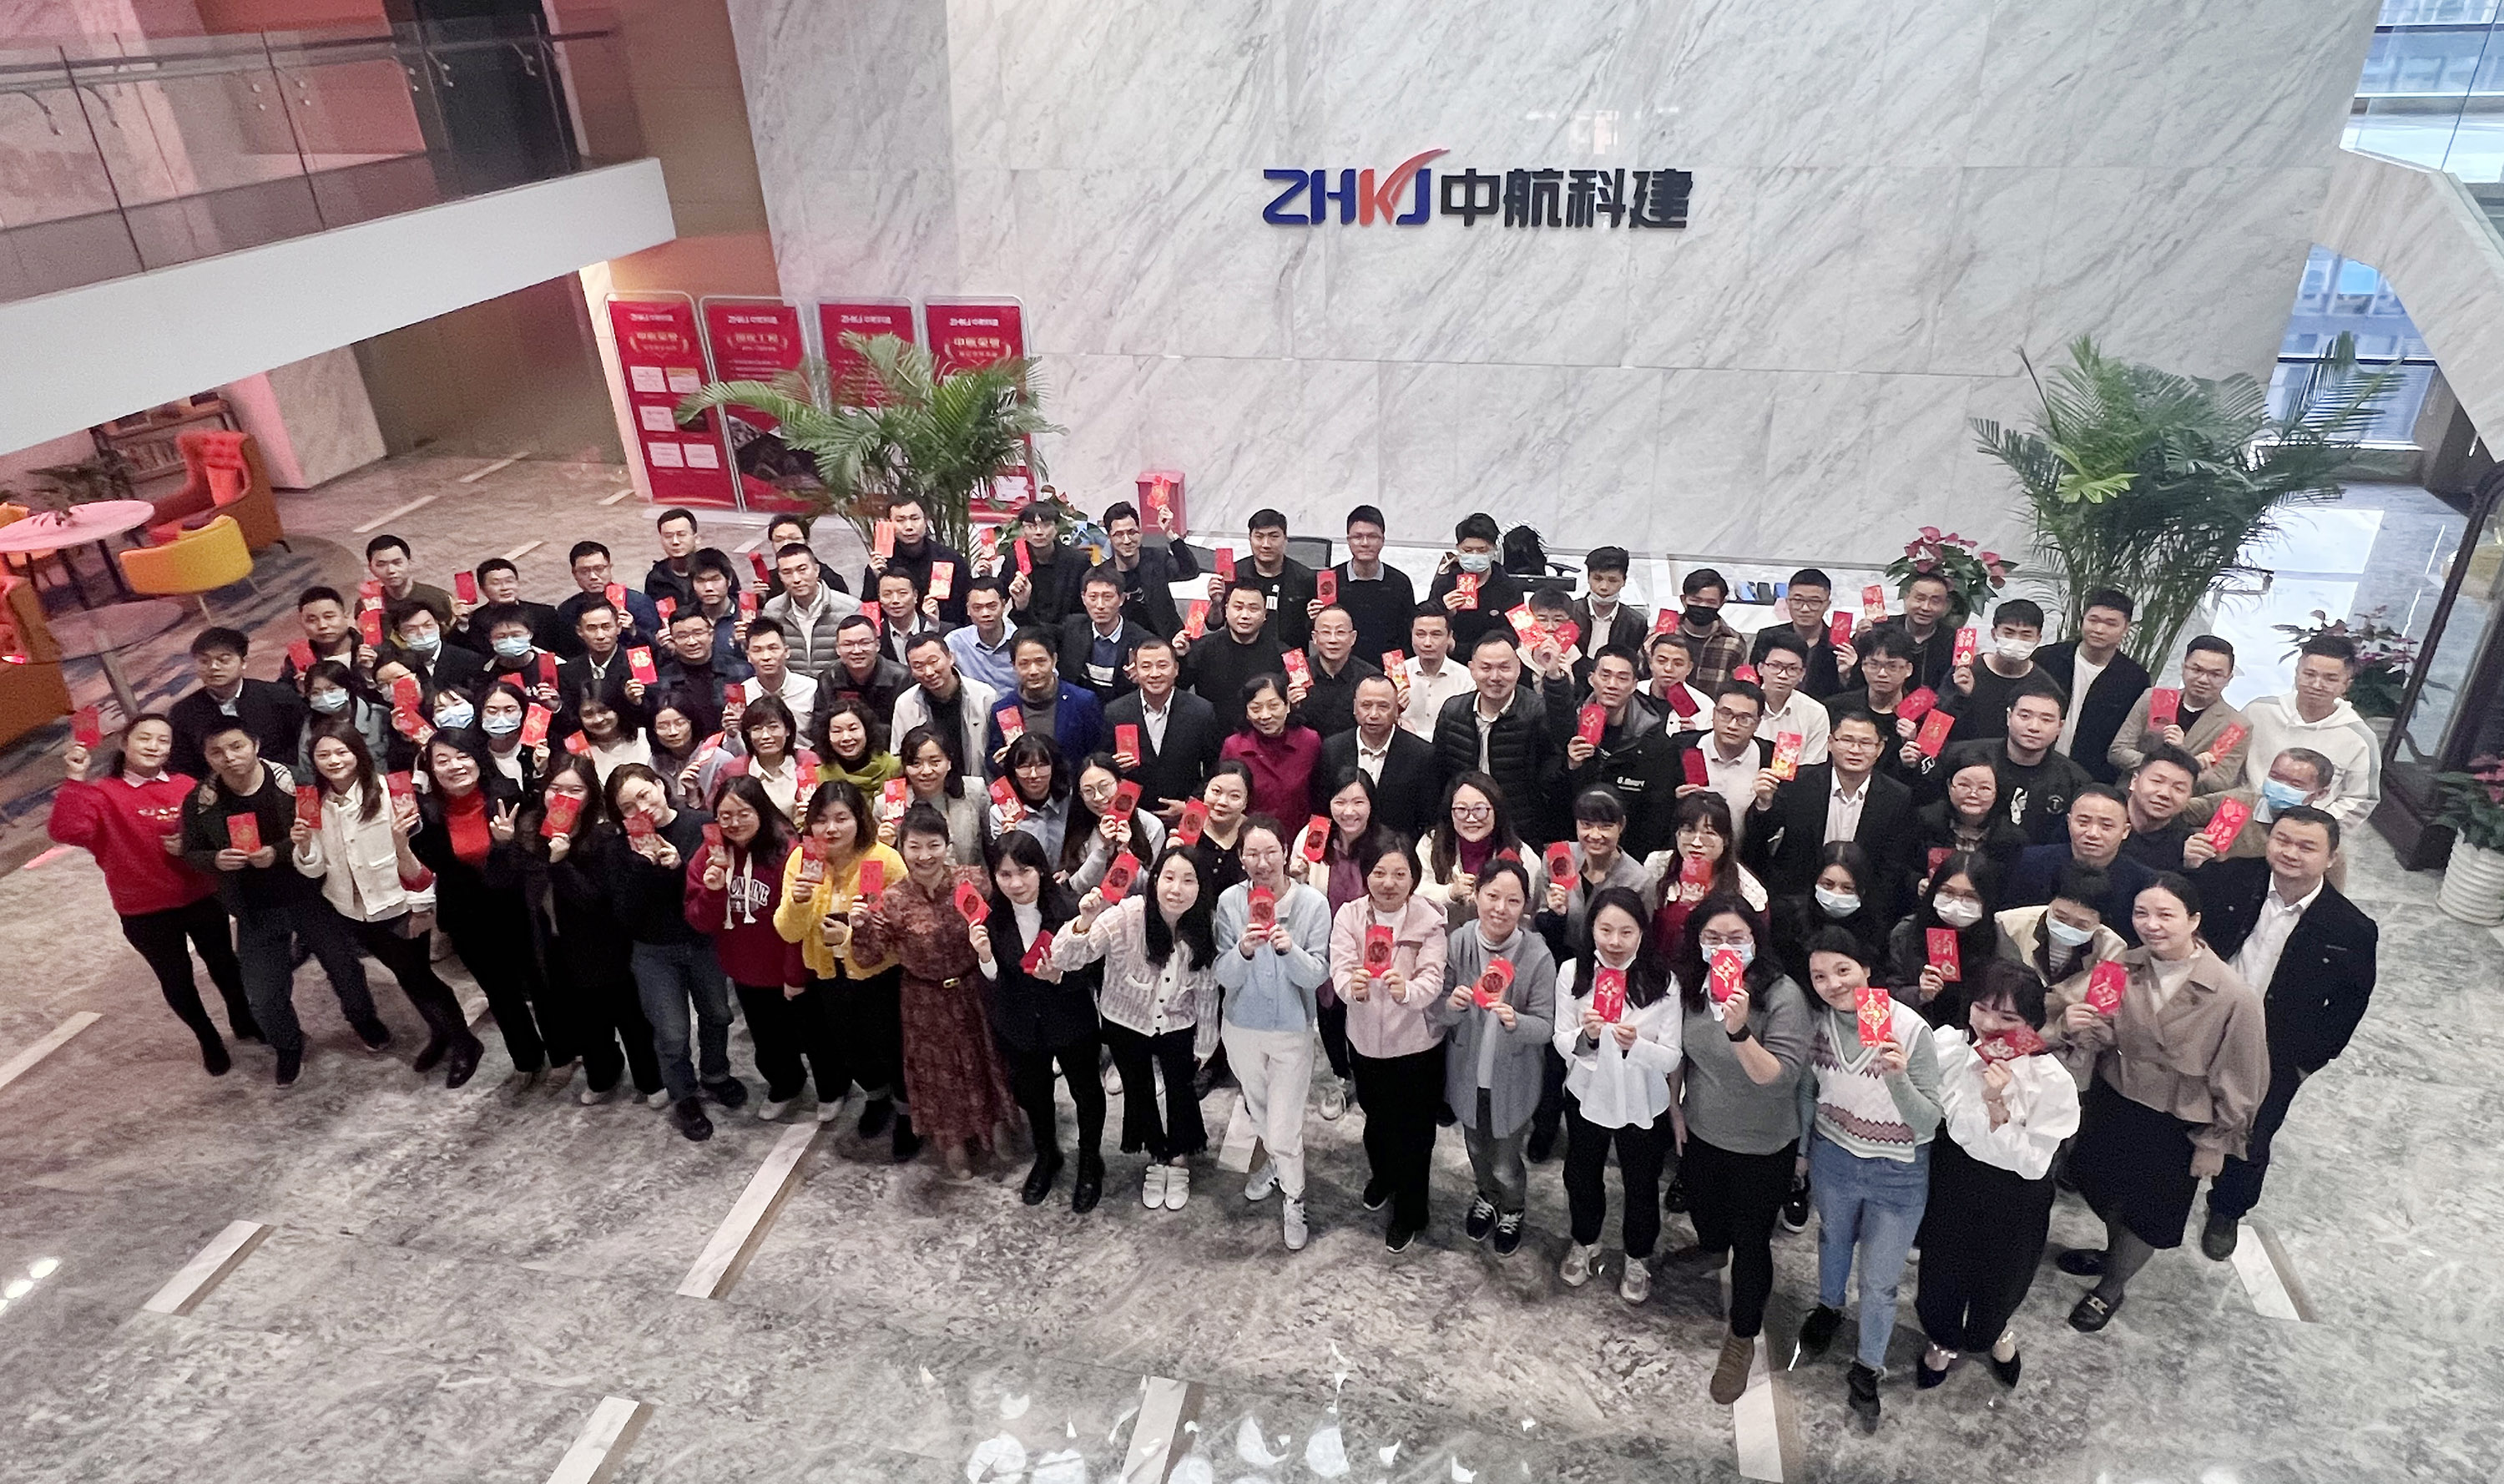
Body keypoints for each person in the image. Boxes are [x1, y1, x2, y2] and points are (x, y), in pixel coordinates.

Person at [2049, 876, 2269, 1331]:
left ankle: (2112, 1286)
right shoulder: (2121, 966)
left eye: (2166, 915)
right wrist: (2076, 1025)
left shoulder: (2233, 995)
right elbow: (2095, 1024)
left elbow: (2243, 1078)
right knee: (2103, 1187)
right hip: (2116, 1097)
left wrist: (2215, 1143)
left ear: (2194, 920)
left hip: (2176, 1120)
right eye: (2141, 913)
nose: (2151, 925)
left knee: (2149, 1214)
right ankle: (2114, 1253)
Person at [2189, 807, 2375, 1259]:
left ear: (2331, 857)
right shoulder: (2228, 879)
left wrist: (2306, 1062)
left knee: (2253, 1136)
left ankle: (2227, 1209)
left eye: (2307, 847)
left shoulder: (2352, 927)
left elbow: (2349, 1004)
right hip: (2202, 1024)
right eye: (2283, 840)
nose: (2291, 853)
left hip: (2273, 1048)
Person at [1658, 895, 1814, 1406]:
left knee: (1751, 1242)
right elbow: (1680, 1051)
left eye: (1735, 938)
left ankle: (1742, 1336)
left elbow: (1779, 1078)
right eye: (1712, 938)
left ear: (1754, 941)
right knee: (1706, 1214)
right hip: (1703, 1130)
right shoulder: (1692, 986)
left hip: (1763, 1143)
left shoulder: (1782, 995)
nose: (1724, 947)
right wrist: (1676, 1108)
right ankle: (1710, 1248)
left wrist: (1739, 1029)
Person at [1790, 927, 1941, 1433]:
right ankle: (1829, 1308)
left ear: (1867, 970)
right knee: (1832, 1239)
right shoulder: (1817, 1026)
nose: (1832, 984)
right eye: (1819, 976)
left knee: (1880, 1279)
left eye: (1843, 970)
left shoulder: (1911, 1029)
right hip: (1834, 1156)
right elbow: (1808, 1092)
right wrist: (1803, 1153)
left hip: (1897, 1171)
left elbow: (1928, 1122)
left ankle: (1867, 1366)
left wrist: (1897, 1076)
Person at [180, 721, 388, 1085]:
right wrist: (215, 860)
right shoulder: (201, 800)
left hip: (311, 895)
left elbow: (317, 832)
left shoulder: (296, 782)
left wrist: (276, 853)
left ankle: (364, 1020)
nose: (229, 757)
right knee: (262, 994)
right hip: (254, 908)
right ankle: (288, 1045)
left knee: (345, 967)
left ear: (256, 744)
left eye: (236, 746)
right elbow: (191, 851)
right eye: (217, 752)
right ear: (207, 758)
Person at [51, 714, 256, 1073]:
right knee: (177, 979)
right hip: (144, 910)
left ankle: (244, 1020)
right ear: (124, 744)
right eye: (144, 738)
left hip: (201, 896)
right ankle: (208, 1039)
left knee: (225, 964)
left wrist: (192, 845)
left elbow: (217, 831)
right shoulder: (102, 794)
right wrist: (76, 778)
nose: (153, 746)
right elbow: (67, 831)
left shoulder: (186, 785)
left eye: (163, 741)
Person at [1912, 958, 2079, 1391]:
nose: (1989, 1025)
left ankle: (1994, 1331)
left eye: (2008, 1018)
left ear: (2031, 1022)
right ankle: (1942, 1338)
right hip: (1953, 1180)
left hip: (2016, 1196)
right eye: (1982, 1008)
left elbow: (2034, 1163)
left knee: (2004, 1279)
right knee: (1940, 1272)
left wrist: (1995, 1104)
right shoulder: (1950, 1047)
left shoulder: (2049, 1079)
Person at [289, 723, 484, 1088]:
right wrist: (302, 846)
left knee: (420, 976)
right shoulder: (314, 802)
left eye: (342, 751)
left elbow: (420, 856)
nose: (334, 761)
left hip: (397, 904)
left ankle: (464, 1042)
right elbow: (315, 867)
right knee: (405, 976)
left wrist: (421, 906)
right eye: (324, 754)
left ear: (358, 752)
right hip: (353, 909)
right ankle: (441, 1033)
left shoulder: (390, 792)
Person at [852, 803, 1020, 1180]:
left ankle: (997, 1126)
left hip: (974, 990)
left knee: (986, 1060)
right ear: (901, 848)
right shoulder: (891, 899)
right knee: (938, 1074)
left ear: (948, 845)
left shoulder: (973, 881)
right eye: (914, 846)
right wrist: (860, 926)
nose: (924, 856)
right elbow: (867, 957)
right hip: (923, 1000)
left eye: (933, 845)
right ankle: (953, 1142)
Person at [1058, 843, 1223, 1209]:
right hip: (1125, 1021)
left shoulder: (1205, 926)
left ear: (1201, 887)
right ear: (1154, 880)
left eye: (1188, 880)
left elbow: (1208, 990)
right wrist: (1085, 921)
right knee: (1139, 1090)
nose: (1176, 889)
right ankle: (1157, 1154)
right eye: (1169, 877)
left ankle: (1178, 1157)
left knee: (1181, 1090)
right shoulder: (1127, 915)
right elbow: (1065, 958)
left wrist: (1206, 1044)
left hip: (1177, 1023)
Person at [409, 728, 564, 1078]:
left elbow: (531, 862)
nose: (455, 766)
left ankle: (562, 1054)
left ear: (479, 758)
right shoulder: (426, 813)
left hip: (517, 909)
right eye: (442, 760)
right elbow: (429, 868)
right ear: (430, 769)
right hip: (466, 917)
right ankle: (527, 1060)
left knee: (541, 986)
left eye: (462, 756)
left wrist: (505, 845)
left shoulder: (507, 795)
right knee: (500, 993)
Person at [1553, 886, 1682, 1303]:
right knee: (1581, 1173)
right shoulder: (1573, 973)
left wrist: (1636, 1046)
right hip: (1587, 1093)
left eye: (1626, 932)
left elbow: (1671, 1056)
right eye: (1605, 929)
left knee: (1641, 1182)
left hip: (1642, 1099)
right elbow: (1560, 1040)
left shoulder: (1664, 981)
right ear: (1591, 928)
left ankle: (1638, 1256)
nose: (1614, 941)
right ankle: (1585, 1240)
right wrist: (1587, 1037)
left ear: (1642, 932)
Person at [775, 780, 916, 1154]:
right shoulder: (801, 861)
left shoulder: (883, 859)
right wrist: (799, 902)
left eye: (841, 818)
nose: (831, 829)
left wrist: (854, 934)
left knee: (893, 1046)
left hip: (880, 974)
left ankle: (907, 1112)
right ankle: (876, 1098)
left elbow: (903, 927)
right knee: (850, 1046)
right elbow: (788, 931)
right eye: (821, 820)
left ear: (860, 819)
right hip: (827, 973)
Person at [1426, 860, 1558, 1258]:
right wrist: (1451, 1005)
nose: (1500, 908)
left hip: (1513, 1081)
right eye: (1492, 896)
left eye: (1513, 900)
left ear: (1526, 905)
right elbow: (1436, 1009)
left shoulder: (1537, 955)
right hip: (1466, 1074)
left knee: (1505, 1161)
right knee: (1476, 1149)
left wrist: (1517, 1021)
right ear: (1476, 896)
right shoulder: (1459, 942)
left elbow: (1546, 1027)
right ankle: (1486, 1195)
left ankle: (1513, 1207)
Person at [1212, 815, 1333, 1250]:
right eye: (1252, 854)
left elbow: (1317, 975)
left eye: (1270, 852)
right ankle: (1279, 1167)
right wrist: (1243, 950)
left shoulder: (1312, 904)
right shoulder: (1230, 902)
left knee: (1283, 1127)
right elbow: (1223, 975)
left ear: (1286, 852)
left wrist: (1290, 950)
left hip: (1291, 1033)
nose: (1262, 863)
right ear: (1240, 857)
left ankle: (1295, 1196)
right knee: (1260, 1111)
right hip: (1241, 1027)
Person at [1326, 830, 1448, 1249]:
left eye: (1400, 874)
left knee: (1415, 1132)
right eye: (1379, 873)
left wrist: (1408, 991)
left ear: (1414, 877)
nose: (1389, 883)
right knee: (1376, 1121)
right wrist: (1352, 987)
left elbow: (1433, 977)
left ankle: (1411, 1211)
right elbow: (1340, 967)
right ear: (1366, 875)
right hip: (1364, 1042)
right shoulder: (1350, 916)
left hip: (1416, 1047)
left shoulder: (1429, 920)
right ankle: (1384, 1176)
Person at [515, 754, 659, 1107]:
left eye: (575, 790)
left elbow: (594, 901)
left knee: (630, 1018)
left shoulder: (605, 836)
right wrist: (505, 846)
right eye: (555, 788)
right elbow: (514, 885)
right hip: (553, 945)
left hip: (604, 946)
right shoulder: (531, 829)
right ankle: (603, 1075)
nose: (563, 797)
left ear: (591, 794)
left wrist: (561, 863)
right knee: (586, 1020)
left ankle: (651, 1079)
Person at [602, 762, 735, 1141]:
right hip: (653, 951)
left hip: (703, 942)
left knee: (718, 1014)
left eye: (644, 795)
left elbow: (714, 888)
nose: (641, 810)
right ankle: (684, 1095)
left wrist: (678, 867)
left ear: (660, 786)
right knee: (673, 1032)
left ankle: (716, 1074)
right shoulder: (619, 848)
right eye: (628, 808)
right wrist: (643, 868)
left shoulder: (702, 825)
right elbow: (624, 913)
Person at [974, 829, 1106, 1210]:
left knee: (1086, 1091)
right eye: (1005, 874)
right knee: (1034, 1094)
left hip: (1070, 1018)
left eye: (1024, 871)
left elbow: (1095, 968)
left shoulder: (1070, 909)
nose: (1016, 884)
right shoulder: (990, 917)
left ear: (1042, 870)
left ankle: (1090, 1159)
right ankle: (1048, 1154)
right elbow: (995, 980)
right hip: (1019, 1023)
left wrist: (1061, 976)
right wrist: (985, 957)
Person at [682, 775, 815, 1119]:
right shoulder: (709, 855)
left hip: (791, 968)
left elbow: (800, 920)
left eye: (744, 813)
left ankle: (833, 1090)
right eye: (725, 816)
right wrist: (713, 891)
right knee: (769, 1042)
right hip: (744, 971)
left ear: (762, 811)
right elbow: (699, 921)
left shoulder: (788, 852)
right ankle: (785, 1085)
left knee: (813, 1037)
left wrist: (794, 974)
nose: (734, 823)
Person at [1744, 709, 1914, 914]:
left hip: (1862, 905)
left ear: (1879, 749)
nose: (1855, 750)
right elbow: (1761, 835)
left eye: (1865, 743)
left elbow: (1893, 863)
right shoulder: (1799, 783)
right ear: (1830, 743)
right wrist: (1764, 803)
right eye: (1847, 740)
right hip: (1797, 901)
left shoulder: (1897, 797)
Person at [1433, 628, 1565, 846]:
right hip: (1464, 825)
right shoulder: (1453, 712)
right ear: (1472, 669)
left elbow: (1560, 747)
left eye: (1504, 667)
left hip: (1521, 829)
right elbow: (1439, 775)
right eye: (1486, 668)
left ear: (1518, 668)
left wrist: (1555, 678)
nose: (1495, 677)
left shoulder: (1537, 712)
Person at [2238, 633, 2381, 827]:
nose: (2316, 685)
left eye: (2330, 678)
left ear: (2346, 685)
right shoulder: (2258, 711)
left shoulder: (2359, 738)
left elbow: (2360, 799)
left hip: (2306, 834)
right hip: (2242, 819)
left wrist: (2318, 828)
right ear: (2297, 673)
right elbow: (2229, 764)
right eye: (2309, 674)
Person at [1297, 770, 1377, 1113]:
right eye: (1340, 801)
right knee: (1329, 1017)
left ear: (1372, 805)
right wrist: (1298, 876)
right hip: (1325, 948)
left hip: (1369, 952)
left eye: (1358, 802)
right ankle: (1340, 1077)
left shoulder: (1385, 844)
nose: (1349, 811)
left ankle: (1370, 1080)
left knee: (1367, 1019)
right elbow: (1295, 890)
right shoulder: (1313, 837)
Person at [1926, 683, 2093, 845]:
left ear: (2060, 727)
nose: (2034, 727)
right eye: (2025, 716)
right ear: (2009, 716)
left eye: (2046, 720)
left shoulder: (2075, 780)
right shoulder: (1962, 757)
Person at [1562, 644, 1677, 856]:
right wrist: (1571, 767)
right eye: (1605, 676)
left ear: (1634, 685)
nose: (1612, 685)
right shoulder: (1569, 725)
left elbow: (1657, 815)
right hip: (1575, 850)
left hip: (1629, 855)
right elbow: (1551, 797)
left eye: (1622, 678)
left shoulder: (1655, 740)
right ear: (1591, 679)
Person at [2003, 785, 2159, 936]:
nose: (2093, 833)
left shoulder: (2143, 882)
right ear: (2069, 822)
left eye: (2106, 826)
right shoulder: (2031, 863)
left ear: (2125, 831)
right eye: (2083, 822)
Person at [1106, 634, 1222, 825]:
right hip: (1134, 818)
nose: (1154, 674)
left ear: (1176, 669)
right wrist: (1115, 766)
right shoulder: (1116, 712)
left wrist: (1190, 806)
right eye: (1146, 667)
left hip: (1186, 818)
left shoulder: (1201, 711)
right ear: (1135, 671)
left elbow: (1215, 768)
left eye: (1162, 666)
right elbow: (1104, 766)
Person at [2037, 589, 2152, 783]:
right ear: (2083, 619)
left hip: (2093, 778)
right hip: (2037, 762)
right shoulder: (2046, 659)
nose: (2099, 629)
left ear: (2126, 628)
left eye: (2110, 624)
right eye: (2093, 620)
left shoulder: (2134, 678)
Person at [2108, 635, 2249, 793]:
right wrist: (2161, 766)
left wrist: (2183, 754)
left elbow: (2220, 783)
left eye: (2215, 675)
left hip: (2184, 804)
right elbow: (2118, 751)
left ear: (2229, 678)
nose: (2203, 680)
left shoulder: (2235, 725)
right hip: (2131, 794)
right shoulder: (2154, 698)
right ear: (2183, 668)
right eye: (2196, 670)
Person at [1882, 851, 2002, 1030]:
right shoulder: (1906, 933)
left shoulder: (1999, 940)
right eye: (1947, 892)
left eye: (1970, 896)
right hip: (1914, 1029)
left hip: (1973, 1033)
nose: (1956, 903)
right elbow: (1887, 993)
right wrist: (1920, 994)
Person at [2182, 746, 2344, 879]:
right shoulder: (2235, 803)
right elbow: (2176, 811)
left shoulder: (2322, 837)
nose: (2281, 786)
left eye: (2295, 784)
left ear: (2321, 793)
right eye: (2275, 777)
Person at [169, 628, 308, 781]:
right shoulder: (183, 713)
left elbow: (303, 744)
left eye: (223, 660)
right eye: (204, 661)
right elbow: (184, 767)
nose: (213, 667)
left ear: (243, 663)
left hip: (286, 780)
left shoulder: (278, 696)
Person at [1643, 790, 1768, 957]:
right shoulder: (1657, 865)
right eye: (1688, 831)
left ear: (1725, 839)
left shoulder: (1748, 890)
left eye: (1709, 833)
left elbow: (1758, 950)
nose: (1696, 842)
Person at [1316, 674, 1438, 840]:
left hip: (1401, 849)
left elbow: (1428, 819)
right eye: (1366, 706)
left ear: (1397, 709)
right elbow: (1321, 811)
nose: (1373, 714)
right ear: (1355, 707)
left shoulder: (1422, 755)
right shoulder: (1333, 749)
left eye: (1383, 706)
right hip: (1342, 848)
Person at [1765, 842, 1891, 993]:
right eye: (1828, 884)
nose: (1837, 893)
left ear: (1862, 890)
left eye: (1847, 888)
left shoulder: (1874, 928)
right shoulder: (1787, 916)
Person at [1995, 861, 2128, 1002]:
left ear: (2100, 922)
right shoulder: (2008, 924)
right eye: (2060, 917)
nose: (2068, 928)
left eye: (2082, 925)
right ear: (2050, 903)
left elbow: (2105, 1005)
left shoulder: (2113, 948)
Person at [987, 627, 1106, 772]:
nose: (1033, 671)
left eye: (1040, 661)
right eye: (1024, 664)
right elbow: (992, 761)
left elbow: (1099, 753)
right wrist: (1001, 763)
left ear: (1054, 660)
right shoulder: (1003, 709)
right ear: (1014, 666)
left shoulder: (1083, 702)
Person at [1668, 680, 1772, 847]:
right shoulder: (1680, 748)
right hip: (1686, 855)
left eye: (1744, 718)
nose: (1732, 725)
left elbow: (1773, 831)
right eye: (1725, 714)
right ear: (1713, 714)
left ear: (1758, 723)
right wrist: (1675, 802)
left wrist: (1765, 805)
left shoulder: (1771, 760)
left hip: (1743, 859)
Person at [1179, 581, 1289, 734]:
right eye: (1238, 607)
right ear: (1226, 610)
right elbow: (1179, 686)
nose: (1245, 615)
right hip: (1211, 736)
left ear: (1265, 614)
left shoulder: (1285, 655)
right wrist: (1179, 657)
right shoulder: (1201, 648)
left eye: (1253, 609)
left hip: (1264, 738)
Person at [1418, 771, 1527, 923]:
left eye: (1480, 810)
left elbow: (1530, 910)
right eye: (1461, 810)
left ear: (1496, 810)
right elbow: (1414, 895)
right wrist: (1450, 892)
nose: (1471, 818)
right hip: (1442, 934)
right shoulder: (1430, 844)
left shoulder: (1520, 853)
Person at [893, 630, 1001, 782]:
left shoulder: (984, 696)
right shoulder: (905, 704)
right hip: (927, 786)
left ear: (950, 658)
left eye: (933, 662)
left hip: (977, 786)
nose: (929, 672)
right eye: (918, 666)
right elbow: (898, 757)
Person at [1826, 624, 1925, 789]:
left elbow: (1932, 775)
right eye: (1873, 664)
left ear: (1908, 669)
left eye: (1892, 666)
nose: (1882, 673)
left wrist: (1913, 745)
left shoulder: (1924, 716)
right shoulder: (1837, 707)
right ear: (1863, 666)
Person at [1219, 674, 1322, 828]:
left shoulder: (1309, 741)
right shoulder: (1234, 746)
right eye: (1256, 708)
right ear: (1247, 713)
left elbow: (1319, 794)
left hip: (1299, 835)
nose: (1265, 716)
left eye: (1273, 706)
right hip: (1250, 836)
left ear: (1288, 706)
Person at [1941, 599, 2047, 745]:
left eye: (2026, 635)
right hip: (1962, 755)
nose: (2016, 640)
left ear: (2038, 638)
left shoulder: (2043, 685)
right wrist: (1961, 696)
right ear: (1994, 633)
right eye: (2009, 633)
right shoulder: (1965, 671)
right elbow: (1938, 722)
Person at [1420, 512, 1526, 652]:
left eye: (1482, 550)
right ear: (1458, 548)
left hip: (1491, 657)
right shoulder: (1444, 584)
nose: (1475, 555)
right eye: (1468, 550)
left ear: (1494, 549)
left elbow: (1515, 633)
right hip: (1449, 656)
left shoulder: (1509, 588)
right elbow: (1424, 623)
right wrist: (1443, 611)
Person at [1064, 752, 1166, 895]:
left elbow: (1149, 888)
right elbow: (1077, 887)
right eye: (1088, 791)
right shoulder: (1079, 826)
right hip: (1088, 905)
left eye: (1104, 786)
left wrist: (1124, 854)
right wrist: (1103, 849)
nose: (1098, 797)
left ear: (1120, 783)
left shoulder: (1151, 826)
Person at [887, 724, 987, 863]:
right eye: (916, 763)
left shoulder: (975, 791)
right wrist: (885, 846)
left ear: (949, 762)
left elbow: (991, 849)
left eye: (935, 762)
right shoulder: (886, 804)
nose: (926, 771)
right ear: (904, 766)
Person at [1913, 757, 2027, 877]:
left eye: (1984, 788)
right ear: (1949, 786)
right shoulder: (1924, 822)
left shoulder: (2012, 839)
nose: (1973, 794)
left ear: (1997, 793)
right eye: (1964, 785)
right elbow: (1905, 869)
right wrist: (1917, 881)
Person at [867, 493, 970, 626]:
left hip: (944, 632)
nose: (909, 527)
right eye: (900, 520)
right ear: (889, 523)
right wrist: (876, 577)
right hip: (894, 634)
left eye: (915, 518)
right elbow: (868, 610)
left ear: (925, 520)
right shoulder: (881, 562)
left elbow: (966, 606)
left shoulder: (949, 559)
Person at [1100, 498, 1198, 638]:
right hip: (1128, 645)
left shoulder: (1158, 558)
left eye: (1132, 532)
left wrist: (1169, 533)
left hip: (1168, 640)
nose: (1127, 540)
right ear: (1109, 537)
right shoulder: (1103, 576)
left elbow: (1190, 571)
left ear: (1140, 532)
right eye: (1119, 535)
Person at [1331, 506, 1418, 660]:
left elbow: (1407, 636)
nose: (1365, 543)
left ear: (1383, 540)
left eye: (1372, 536)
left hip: (1389, 667)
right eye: (1357, 537)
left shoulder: (1400, 583)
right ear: (1348, 540)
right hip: (1341, 666)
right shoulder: (1330, 580)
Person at [760, 540, 861, 671]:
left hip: (835, 682)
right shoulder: (773, 610)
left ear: (816, 570)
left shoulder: (849, 608)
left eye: (802, 570)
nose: (796, 579)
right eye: (787, 572)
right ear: (780, 577)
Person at [1749, 568, 1850, 699]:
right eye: (1798, 601)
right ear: (1787, 602)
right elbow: (1753, 681)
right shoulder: (1768, 637)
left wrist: (1847, 674)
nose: (1805, 609)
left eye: (1814, 602)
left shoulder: (1840, 645)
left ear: (1827, 605)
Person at [553, 541, 663, 657]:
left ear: (610, 568)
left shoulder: (638, 602)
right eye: (584, 571)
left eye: (599, 569)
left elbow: (657, 647)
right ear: (574, 574)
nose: (593, 577)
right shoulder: (567, 610)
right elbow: (564, 652)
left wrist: (633, 631)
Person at [1057, 565, 1144, 704]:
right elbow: (1041, 633)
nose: (1100, 605)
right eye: (1093, 597)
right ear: (1083, 598)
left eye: (1107, 597)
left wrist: (1142, 680)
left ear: (1122, 599)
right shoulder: (1072, 628)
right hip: (1080, 708)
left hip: (1120, 710)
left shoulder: (1140, 640)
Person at [1750, 629, 1833, 766]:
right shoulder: (1743, 705)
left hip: (1798, 779)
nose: (1782, 675)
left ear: (1802, 674)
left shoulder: (1815, 712)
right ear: (1760, 668)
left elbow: (1813, 767)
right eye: (1775, 666)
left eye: (1792, 669)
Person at [992, 732, 1075, 859]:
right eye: (1024, 767)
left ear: (1054, 767)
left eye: (1041, 766)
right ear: (1013, 770)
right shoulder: (1001, 812)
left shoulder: (1070, 800)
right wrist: (1007, 842)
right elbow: (1000, 863)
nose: (1033, 775)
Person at [2115, 746, 2200, 872]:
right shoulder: (2100, 814)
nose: (2164, 794)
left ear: (2189, 797)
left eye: (2179, 788)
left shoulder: (2185, 846)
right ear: (2134, 781)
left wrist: (2189, 866)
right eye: (2157, 781)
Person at [1005, 499, 1084, 632]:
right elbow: (1000, 595)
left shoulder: (1077, 560)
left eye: (1046, 525)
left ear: (1056, 528)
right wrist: (985, 574)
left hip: (1069, 632)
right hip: (1027, 630)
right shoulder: (1014, 559)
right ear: (1023, 530)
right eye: (1031, 526)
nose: (1039, 532)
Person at [556, 598, 637, 723]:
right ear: (580, 632)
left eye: (606, 627)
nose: (600, 636)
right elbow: (570, 718)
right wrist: (556, 707)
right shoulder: (568, 671)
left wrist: (635, 701)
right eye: (592, 628)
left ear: (618, 627)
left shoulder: (637, 665)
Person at [736, 618, 819, 742]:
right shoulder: (743, 693)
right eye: (757, 650)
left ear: (786, 652)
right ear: (748, 656)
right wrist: (732, 733)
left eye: (773, 648)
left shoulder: (811, 689)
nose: (766, 657)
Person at [467, 555, 566, 654]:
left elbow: (563, 651)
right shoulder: (476, 619)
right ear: (482, 589)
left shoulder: (545, 614)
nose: (504, 588)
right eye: (496, 583)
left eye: (509, 581)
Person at [1668, 567, 1748, 690]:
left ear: (1721, 603)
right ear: (1684, 600)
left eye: (1711, 602)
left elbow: (1738, 688)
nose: (1703, 606)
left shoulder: (1733, 642)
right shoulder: (1663, 633)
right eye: (1695, 600)